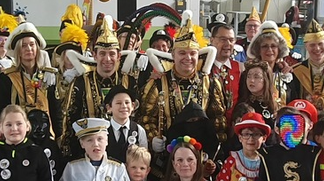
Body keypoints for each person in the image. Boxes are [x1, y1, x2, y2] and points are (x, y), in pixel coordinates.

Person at [140, 11, 227, 158]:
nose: (188, 58)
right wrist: (153, 138)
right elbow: (145, 118)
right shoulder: (159, 83)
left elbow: (218, 120)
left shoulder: (209, 83)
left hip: (201, 157)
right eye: (182, 53)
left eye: (192, 53)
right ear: (173, 55)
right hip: (168, 158)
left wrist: (214, 152)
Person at [60, 15, 134, 159]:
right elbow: (70, 120)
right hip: (89, 153)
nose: (107, 59)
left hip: (124, 151)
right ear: (94, 55)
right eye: (102, 54)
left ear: (119, 56)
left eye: (112, 54)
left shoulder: (129, 82)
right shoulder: (80, 82)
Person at [0, 22, 60, 137]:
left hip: (45, 134)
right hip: (18, 135)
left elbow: (55, 111)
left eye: (32, 44)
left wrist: (58, 137)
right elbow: (1, 110)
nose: (29, 49)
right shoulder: (7, 77)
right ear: (18, 50)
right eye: (24, 45)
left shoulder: (48, 75)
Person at [246, 25, 295, 106]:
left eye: (273, 46)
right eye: (265, 46)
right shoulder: (248, 73)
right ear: (258, 50)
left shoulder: (286, 74)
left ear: (279, 50)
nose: (269, 50)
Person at [209, 17, 242, 120]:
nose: (228, 44)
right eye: (223, 39)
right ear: (212, 40)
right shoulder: (202, 67)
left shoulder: (241, 68)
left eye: (231, 40)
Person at [104, 85, 147, 163]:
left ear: (133, 106)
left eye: (127, 102)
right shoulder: (103, 130)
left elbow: (143, 161)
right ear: (109, 108)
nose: (124, 106)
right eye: (118, 103)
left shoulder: (139, 130)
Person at [238, 60, 279, 128]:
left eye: (256, 77)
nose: (251, 80)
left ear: (266, 79)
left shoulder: (275, 104)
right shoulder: (243, 106)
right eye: (249, 76)